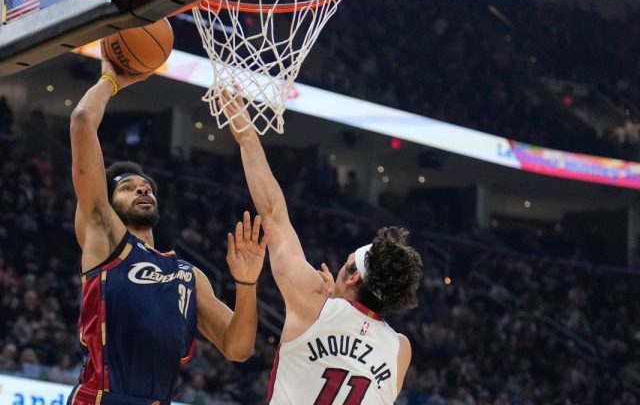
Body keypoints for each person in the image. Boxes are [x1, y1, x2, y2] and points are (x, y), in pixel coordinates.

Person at [67, 50, 268, 405]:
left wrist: (247, 283)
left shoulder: (189, 275)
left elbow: (237, 348)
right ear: (109, 204)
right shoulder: (106, 237)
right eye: (128, 188)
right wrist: (111, 80)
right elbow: (83, 120)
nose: (142, 189)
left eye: (145, 187)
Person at [220, 89, 423, 404]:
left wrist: (247, 138)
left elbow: (274, 216)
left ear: (354, 276)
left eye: (346, 263)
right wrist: (332, 300)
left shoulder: (313, 299)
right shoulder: (401, 349)